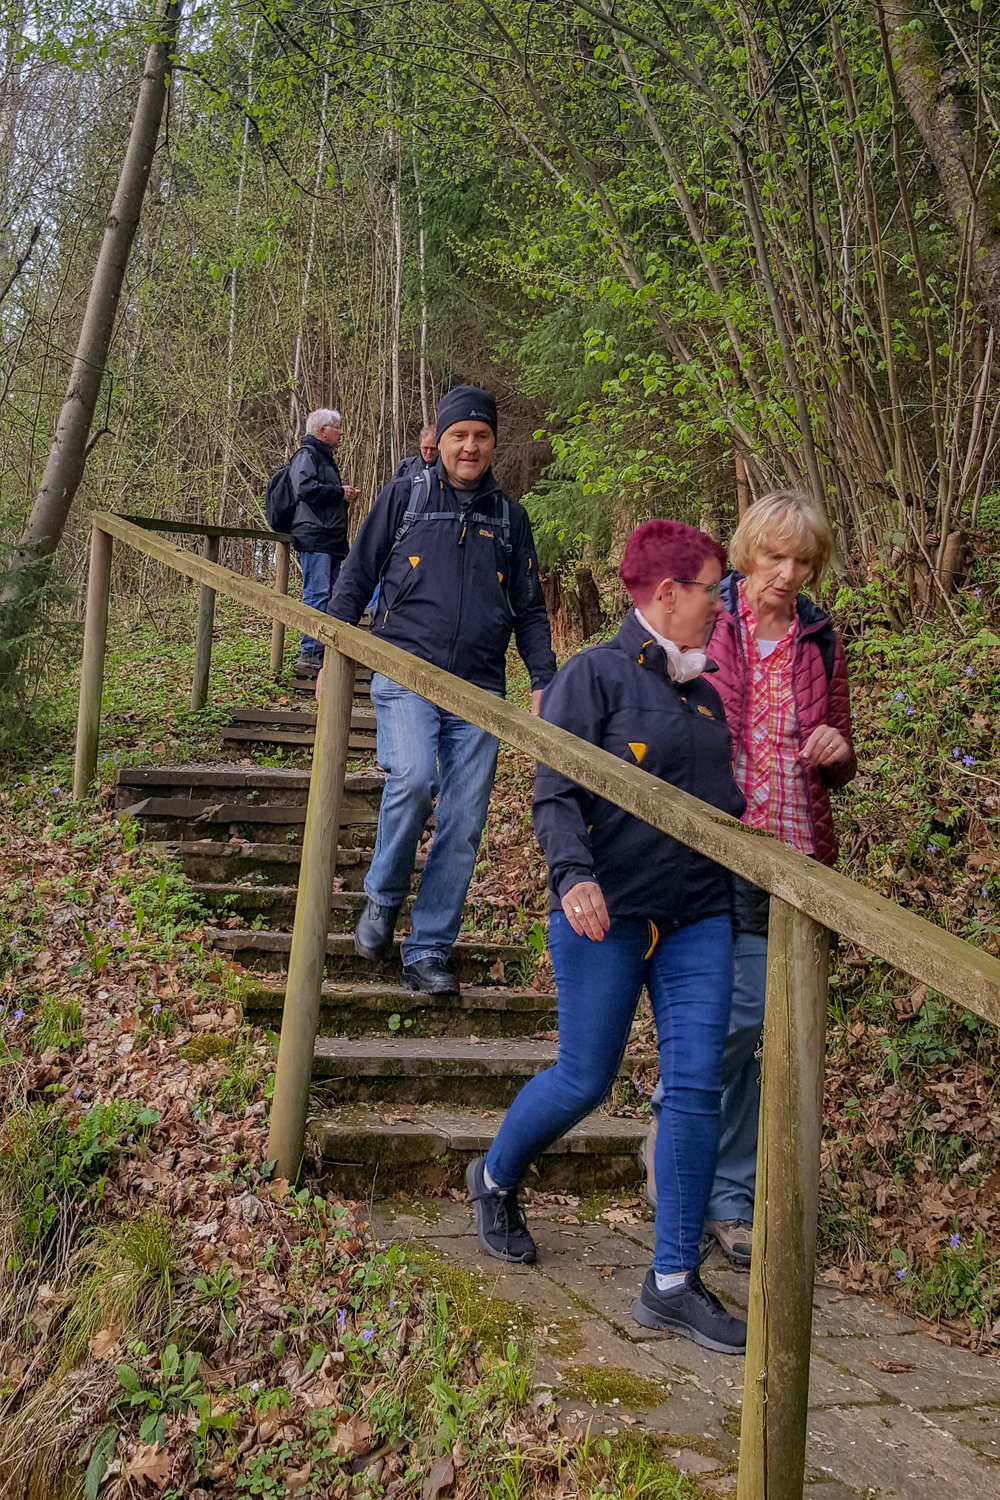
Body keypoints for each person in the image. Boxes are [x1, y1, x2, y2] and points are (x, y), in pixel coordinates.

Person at [466, 519, 749, 1354]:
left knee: (695, 1087)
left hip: (698, 916)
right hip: (606, 911)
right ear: (667, 593)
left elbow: (726, 811)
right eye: (712, 590)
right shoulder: (592, 674)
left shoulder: (706, 695)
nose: (721, 605)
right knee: (586, 1078)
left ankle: (672, 1281)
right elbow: (555, 789)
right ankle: (494, 1175)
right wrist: (572, 875)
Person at [644, 491, 856, 1270]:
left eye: (802, 561)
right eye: (775, 556)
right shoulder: (708, 618)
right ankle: (675, 1142)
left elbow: (842, 751)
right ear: (747, 552)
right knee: (732, 1019)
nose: (787, 573)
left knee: (761, 1029)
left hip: (796, 857)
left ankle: (727, 1197)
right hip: (716, 848)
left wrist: (836, 749)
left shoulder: (820, 640)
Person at [325, 385, 556, 995]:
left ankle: (428, 948)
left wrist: (544, 678)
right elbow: (357, 574)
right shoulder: (406, 495)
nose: (470, 446)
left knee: (464, 817)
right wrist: (330, 653)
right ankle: (382, 897)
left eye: (481, 436)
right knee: (412, 778)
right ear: (440, 440)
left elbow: (530, 609)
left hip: (479, 688)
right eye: (459, 435)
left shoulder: (510, 520)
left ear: (493, 443)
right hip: (405, 672)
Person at [289, 409, 359, 676]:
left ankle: (322, 651)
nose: (341, 432)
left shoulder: (325, 458)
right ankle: (309, 652)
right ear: (322, 431)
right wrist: (339, 492)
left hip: (329, 538)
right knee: (317, 594)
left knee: (330, 595)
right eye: (337, 427)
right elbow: (304, 488)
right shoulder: (307, 455)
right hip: (315, 536)